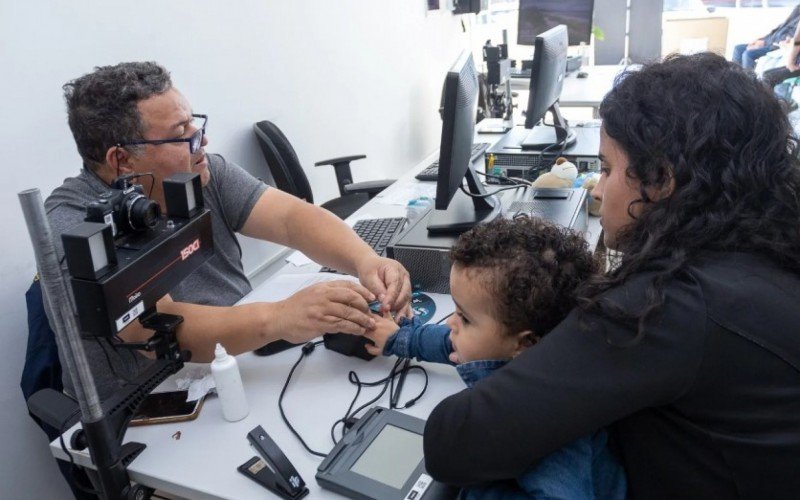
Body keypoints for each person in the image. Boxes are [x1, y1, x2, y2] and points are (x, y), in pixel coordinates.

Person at [423, 53, 800, 498]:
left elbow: (455, 442)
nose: (598, 190)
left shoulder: (672, 304)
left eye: (605, 169)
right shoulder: (763, 248)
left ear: (662, 180)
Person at [46, 62, 412, 399]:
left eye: (194, 123)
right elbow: (154, 328)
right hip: (151, 401)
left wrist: (366, 260)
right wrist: (281, 317)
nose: (200, 139)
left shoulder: (201, 171)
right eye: (180, 133)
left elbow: (292, 219)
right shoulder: (77, 227)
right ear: (123, 160)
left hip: (241, 354)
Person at [366, 217, 626, 498]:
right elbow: (452, 344)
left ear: (524, 342)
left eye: (464, 317)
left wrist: (476, 486)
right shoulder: (525, 349)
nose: (451, 323)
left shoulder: (550, 427)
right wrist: (398, 338)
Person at [732, 3, 800, 69]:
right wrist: (762, 40)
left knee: (748, 54)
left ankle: (748, 80)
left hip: (777, 45)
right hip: (769, 40)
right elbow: (779, 29)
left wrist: (765, 42)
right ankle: (734, 77)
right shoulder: (798, 8)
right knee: (738, 48)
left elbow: (790, 38)